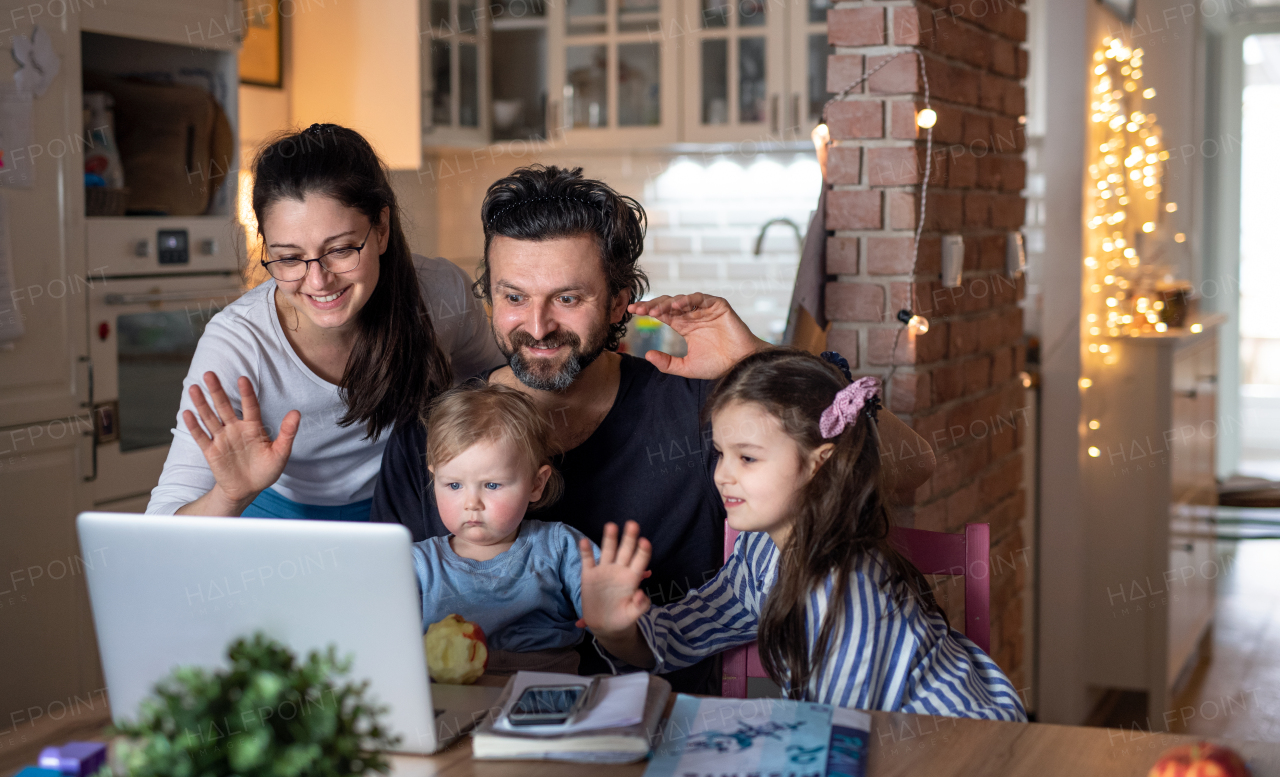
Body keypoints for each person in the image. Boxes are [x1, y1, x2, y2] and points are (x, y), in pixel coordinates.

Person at [371, 165, 936, 693]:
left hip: (668, 731)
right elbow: (379, 624)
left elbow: (913, 468)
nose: (537, 325)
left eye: (568, 298)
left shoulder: (706, 409)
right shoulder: (432, 431)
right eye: (513, 297)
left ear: (620, 302)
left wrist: (756, 359)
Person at [578, 349, 1026, 720]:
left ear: (819, 463)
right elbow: (687, 632)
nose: (722, 476)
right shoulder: (759, 551)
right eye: (720, 454)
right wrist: (616, 629)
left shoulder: (844, 591)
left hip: (963, 746)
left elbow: (837, 732)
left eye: (747, 458)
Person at [146, 124, 502, 520]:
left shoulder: (440, 293)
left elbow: (498, 390)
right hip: (275, 519)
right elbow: (161, 523)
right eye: (289, 258)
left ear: (381, 230)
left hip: (410, 503)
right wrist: (230, 495)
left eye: (341, 249)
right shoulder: (238, 344)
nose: (318, 281)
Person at [411, 383, 599, 674]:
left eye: (492, 485)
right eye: (454, 485)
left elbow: (607, 613)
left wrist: (610, 599)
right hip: (452, 708)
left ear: (536, 484)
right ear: (434, 478)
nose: (472, 503)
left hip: (544, 701)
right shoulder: (416, 565)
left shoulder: (560, 547)